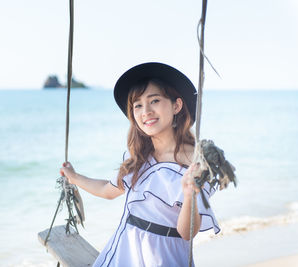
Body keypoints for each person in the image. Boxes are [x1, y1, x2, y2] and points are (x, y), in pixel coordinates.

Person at [60, 62, 220, 267]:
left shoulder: (196, 162)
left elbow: (186, 232)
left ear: (176, 106)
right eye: (137, 105)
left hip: (165, 255)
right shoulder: (138, 156)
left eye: (154, 100)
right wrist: (73, 177)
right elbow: (108, 190)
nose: (146, 111)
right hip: (125, 248)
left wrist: (190, 194)